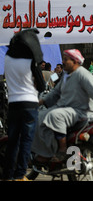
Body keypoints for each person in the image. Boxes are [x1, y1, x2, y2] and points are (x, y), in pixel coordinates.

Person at [31, 49, 93, 164]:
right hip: (66, 109)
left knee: (55, 116)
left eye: (66, 59)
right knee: (39, 116)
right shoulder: (66, 75)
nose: (63, 62)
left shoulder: (83, 74)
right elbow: (55, 92)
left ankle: (62, 149)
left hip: (81, 112)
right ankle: (46, 153)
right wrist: (40, 101)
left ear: (75, 61)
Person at [3, 29, 46, 181]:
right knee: (26, 141)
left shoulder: (7, 58)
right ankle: (20, 175)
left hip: (13, 105)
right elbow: (41, 86)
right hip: (29, 104)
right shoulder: (30, 60)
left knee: (12, 141)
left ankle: (7, 175)